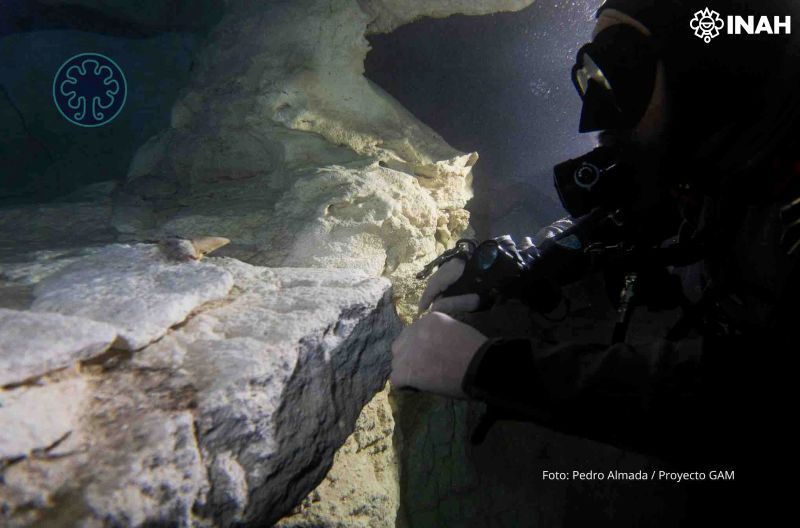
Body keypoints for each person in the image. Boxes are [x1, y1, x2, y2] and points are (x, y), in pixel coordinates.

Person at [391, 0, 799, 520]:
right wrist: (524, 261)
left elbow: (758, 398)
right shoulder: (720, 150)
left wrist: (498, 370)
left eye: (619, 65)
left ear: (712, 68)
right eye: (589, 75)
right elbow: (629, 212)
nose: (596, 116)